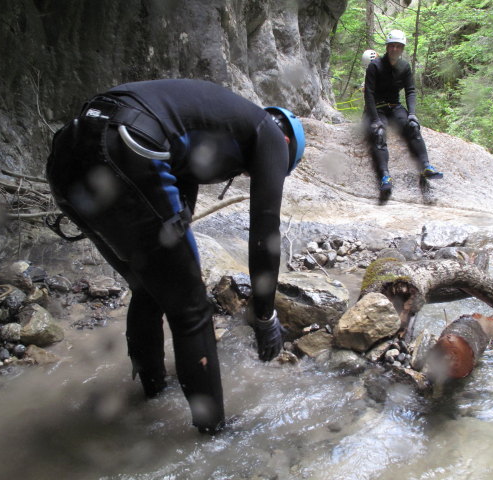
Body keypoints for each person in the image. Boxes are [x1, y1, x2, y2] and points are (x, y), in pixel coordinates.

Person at [46, 79, 305, 434]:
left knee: (148, 284)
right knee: (192, 309)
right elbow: (265, 233)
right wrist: (264, 316)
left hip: (71, 149)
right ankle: (214, 435)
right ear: (287, 144)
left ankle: (151, 396)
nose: (250, 173)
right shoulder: (271, 134)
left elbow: (175, 215)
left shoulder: (209, 126)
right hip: (129, 143)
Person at [363, 29, 443, 192]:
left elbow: (410, 90)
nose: (394, 49)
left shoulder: (404, 67)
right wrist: (375, 120)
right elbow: (369, 94)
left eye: (398, 46)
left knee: (412, 126)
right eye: (391, 46)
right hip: (376, 108)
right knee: (378, 134)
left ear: (402, 48)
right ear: (387, 47)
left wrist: (412, 114)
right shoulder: (375, 66)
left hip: (394, 106)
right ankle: (385, 176)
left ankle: (426, 166)